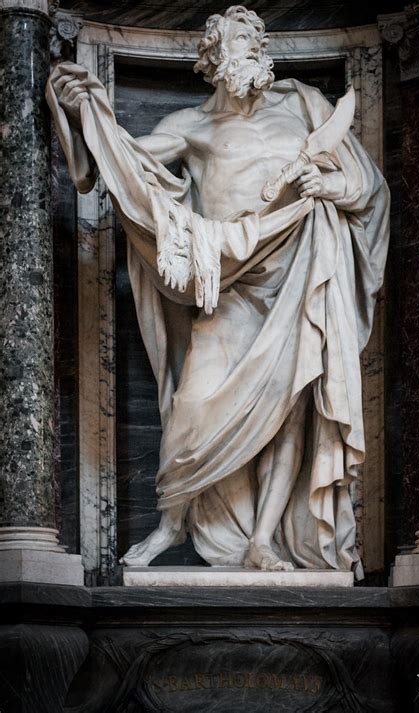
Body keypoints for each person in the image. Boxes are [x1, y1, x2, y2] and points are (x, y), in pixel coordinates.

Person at [48, 5, 389, 575]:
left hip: (296, 271)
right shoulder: (192, 126)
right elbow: (125, 165)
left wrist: (327, 181)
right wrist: (87, 113)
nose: (254, 50)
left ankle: (262, 540)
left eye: (257, 42)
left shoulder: (304, 106)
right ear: (213, 58)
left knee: (287, 408)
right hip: (225, 282)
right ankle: (170, 524)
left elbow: (367, 186)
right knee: (193, 406)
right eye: (240, 41)